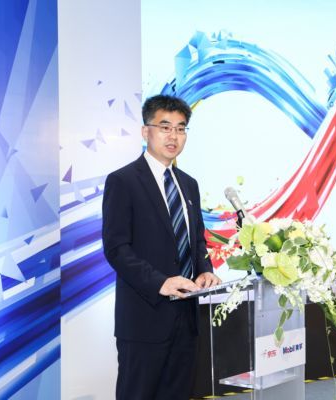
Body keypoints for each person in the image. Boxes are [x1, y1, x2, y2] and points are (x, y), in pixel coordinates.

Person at [102, 94, 221, 399]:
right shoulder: (123, 181)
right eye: (165, 127)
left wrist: (205, 269)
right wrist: (161, 283)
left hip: (187, 318)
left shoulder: (189, 183)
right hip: (144, 318)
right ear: (146, 131)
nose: (173, 136)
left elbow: (196, 240)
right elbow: (116, 248)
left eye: (180, 129)